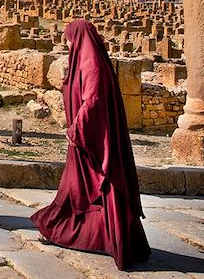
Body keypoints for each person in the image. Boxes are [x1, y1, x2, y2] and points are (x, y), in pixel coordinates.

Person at [31, 19, 150, 270]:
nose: (67, 43)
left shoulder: (91, 63)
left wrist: (77, 129)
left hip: (92, 140)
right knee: (78, 189)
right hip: (87, 138)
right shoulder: (88, 59)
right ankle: (85, 234)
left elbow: (93, 99)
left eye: (69, 38)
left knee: (82, 187)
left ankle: (60, 229)